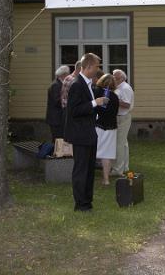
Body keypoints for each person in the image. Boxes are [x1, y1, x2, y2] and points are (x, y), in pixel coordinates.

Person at [65, 53, 109, 212]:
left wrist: (97, 107)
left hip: (89, 133)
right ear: (89, 66)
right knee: (81, 170)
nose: (98, 69)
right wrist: (94, 103)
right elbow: (74, 110)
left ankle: (87, 202)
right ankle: (80, 204)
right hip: (80, 134)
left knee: (89, 170)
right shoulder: (77, 84)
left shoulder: (88, 84)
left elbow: (87, 109)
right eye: (97, 66)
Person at [94, 73, 119, 185]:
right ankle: (106, 179)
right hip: (111, 128)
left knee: (92, 151)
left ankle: (89, 177)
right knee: (107, 155)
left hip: (98, 126)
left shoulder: (96, 92)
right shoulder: (115, 97)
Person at [111, 69, 134, 176]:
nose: (113, 78)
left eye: (116, 77)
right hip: (119, 117)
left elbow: (127, 104)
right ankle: (124, 167)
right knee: (123, 143)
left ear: (122, 78)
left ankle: (117, 170)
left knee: (119, 144)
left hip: (123, 117)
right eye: (113, 76)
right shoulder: (119, 88)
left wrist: (114, 100)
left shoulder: (125, 88)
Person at [46, 65, 70, 142]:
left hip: (58, 118)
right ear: (63, 75)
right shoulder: (56, 85)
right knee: (58, 140)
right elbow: (57, 101)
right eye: (67, 74)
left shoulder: (59, 84)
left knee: (59, 140)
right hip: (56, 119)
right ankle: (56, 154)